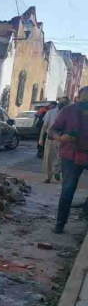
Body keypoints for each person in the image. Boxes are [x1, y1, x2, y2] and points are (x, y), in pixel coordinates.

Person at [50, 86, 88, 234]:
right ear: (79, 98)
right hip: (71, 156)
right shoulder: (68, 111)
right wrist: (61, 138)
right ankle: (60, 223)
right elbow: (52, 130)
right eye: (85, 100)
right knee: (68, 190)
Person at [40, 98, 69, 183]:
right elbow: (44, 126)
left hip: (62, 139)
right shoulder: (50, 112)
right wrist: (41, 139)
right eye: (61, 101)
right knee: (48, 157)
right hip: (51, 138)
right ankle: (48, 176)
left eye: (64, 103)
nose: (61, 103)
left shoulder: (67, 114)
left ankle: (56, 170)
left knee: (61, 157)